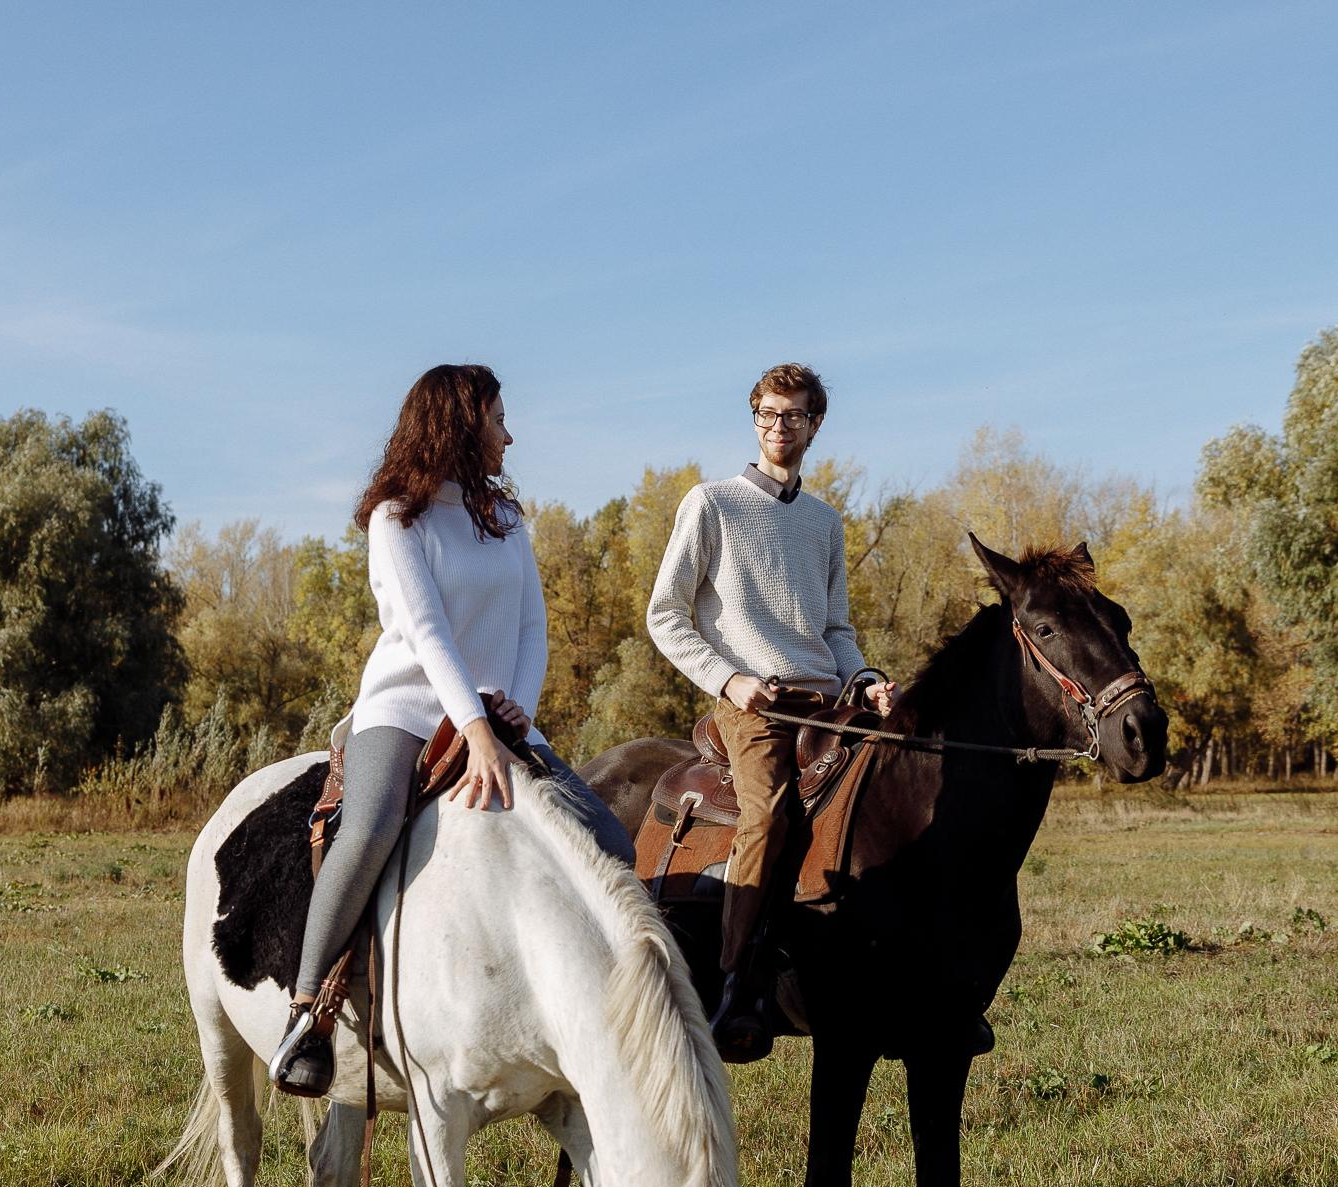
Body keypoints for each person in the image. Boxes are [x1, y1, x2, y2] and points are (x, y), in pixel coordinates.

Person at [271, 364, 632, 1098]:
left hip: (495, 715)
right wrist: (472, 724)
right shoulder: (395, 518)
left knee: (611, 838)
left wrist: (516, 713)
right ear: (463, 426)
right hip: (406, 710)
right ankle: (307, 1013)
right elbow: (426, 630)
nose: (509, 434)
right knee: (369, 827)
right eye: (499, 419)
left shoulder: (504, 520)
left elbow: (533, 625)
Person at [645, 363, 897, 1062]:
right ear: (754, 420)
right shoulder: (711, 503)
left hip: (830, 698)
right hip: (754, 704)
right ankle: (737, 985)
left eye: (792, 416)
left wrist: (868, 681)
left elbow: (837, 629)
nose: (778, 427)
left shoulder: (824, 523)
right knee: (770, 814)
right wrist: (729, 681)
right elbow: (665, 615)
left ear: (815, 425)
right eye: (766, 414)